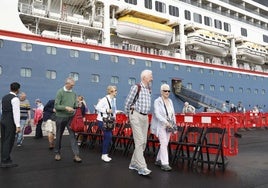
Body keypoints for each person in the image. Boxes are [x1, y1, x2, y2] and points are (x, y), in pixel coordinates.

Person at [125, 69, 153, 176]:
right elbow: (128, 102)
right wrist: (129, 115)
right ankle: (142, 167)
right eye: (150, 76)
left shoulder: (148, 89)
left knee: (143, 142)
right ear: (144, 77)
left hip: (145, 117)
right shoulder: (136, 87)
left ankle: (133, 163)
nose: (152, 78)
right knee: (139, 140)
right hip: (135, 114)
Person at [54, 77, 82, 163]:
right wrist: (66, 107)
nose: (72, 87)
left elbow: (74, 105)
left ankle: (76, 155)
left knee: (73, 135)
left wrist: (78, 104)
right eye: (71, 85)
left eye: (73, 85)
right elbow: (56, 106)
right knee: (59, 135)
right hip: (60, 117)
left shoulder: (73, 94)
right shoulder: (60, 92)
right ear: (66, 84)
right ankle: (57, 153)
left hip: (71, 117)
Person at [150, 84, 175, 171]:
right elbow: (157, 114)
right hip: (161, 125)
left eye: (168, 91)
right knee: (164, 143)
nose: (167, 92)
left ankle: (158, 160)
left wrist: (174, 125)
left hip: (169, 125)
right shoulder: (157, 101)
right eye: (165, 91)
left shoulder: (170, 101)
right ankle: (165, 163)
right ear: (161, 91)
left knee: (165, 143)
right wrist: (165, 122)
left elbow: (173, 114)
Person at [0, 82, 21, 168]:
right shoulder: (15, 99)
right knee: (9, 141)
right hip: (10, 121)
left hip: (3, 120)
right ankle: (5, 161)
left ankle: (5, 158)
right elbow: (16, 113)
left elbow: (1, 109)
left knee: (4, 140)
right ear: (18, 89)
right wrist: (18, 125)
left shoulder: (4, 97)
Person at [95, 85, 117, 162]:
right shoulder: (104, 99)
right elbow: (97, 107)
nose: (116, 92)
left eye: (116, 90)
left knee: (108, 136)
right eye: (114, 91)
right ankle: (104, 154)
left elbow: (113, 110)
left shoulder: (114, 100)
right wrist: (107, 110)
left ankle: (105, 154)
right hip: (102, 120)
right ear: (110, 92)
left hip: (109, 121)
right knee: (108, 136)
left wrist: (115, 117)